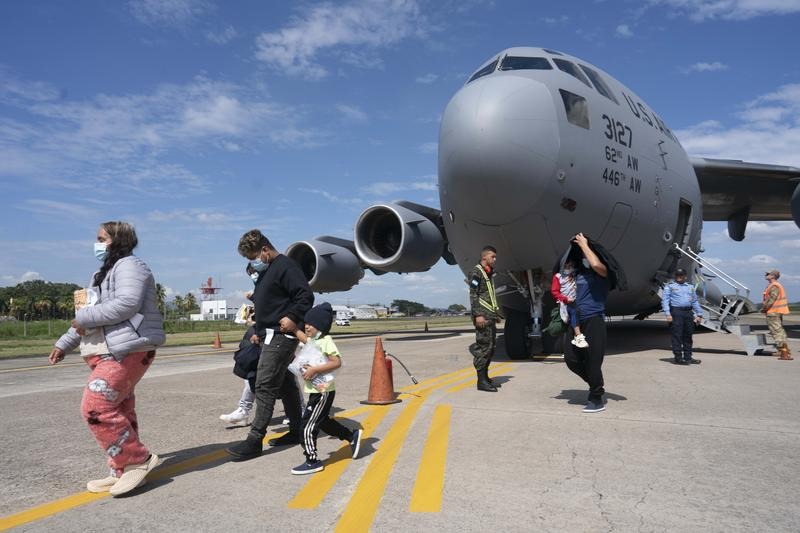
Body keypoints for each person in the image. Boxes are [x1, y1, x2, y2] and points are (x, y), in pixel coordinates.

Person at [48, 221, 165, 496]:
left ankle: (138, 460)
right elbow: (86, 318)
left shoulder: (130, 266)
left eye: (102, 238)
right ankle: (122, 469)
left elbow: (126, 304)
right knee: (121, 409)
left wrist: (82, 319)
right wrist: (65, 342)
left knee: (96, 406)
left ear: (118, 240)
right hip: (106, 349)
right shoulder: (101, 273)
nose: (97, 244)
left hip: (129, 348)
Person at [227, 229, 314, 460]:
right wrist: (257, 329)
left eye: (253, 257)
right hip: (267, 333)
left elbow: (305, 295)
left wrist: (293, 316)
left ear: (265, 249)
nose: (253, 263)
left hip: (282, 335)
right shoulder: (267, 272)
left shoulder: (286, 266)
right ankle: (297, 430)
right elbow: (268, 302)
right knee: (284, 383)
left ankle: (255, 440)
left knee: (264, 385)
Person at [290, 303, 363, 475]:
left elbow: (336, 362)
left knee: (307, 426)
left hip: (323, 391)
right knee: (322, 421)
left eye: (311, 324)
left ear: (321, 326)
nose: (307, 326)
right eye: (306, 323)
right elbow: (305, 339)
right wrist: (294, 329)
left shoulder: (326, 341)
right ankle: (351, 436)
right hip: (317, 390)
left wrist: (315, 369)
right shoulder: (315, 340)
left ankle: (312, 460)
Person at [563, 233, 610, 413]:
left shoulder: (602, 274)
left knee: (593, 360)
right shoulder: (576, 275)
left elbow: (597, 265)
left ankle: (596, 397)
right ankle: (596, 383)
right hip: (576, 322)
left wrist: (584, 244)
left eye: (586, 255)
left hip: (593, 320)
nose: (584, 259)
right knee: (571, 359)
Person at [468, 245, 502, 392]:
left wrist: (496, 313)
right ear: (484, 257)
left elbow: (489, 296)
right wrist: (478, 315)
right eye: (492, 257)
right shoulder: (477, 272)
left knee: (490, 348)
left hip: (489, 315)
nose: (495, 259)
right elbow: (473, 294)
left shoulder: (488, 273)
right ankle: (481, 381)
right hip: (482, 316)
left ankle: (485, 377)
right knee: (483, 348)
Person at [661, 268, 704, 365]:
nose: (678, 277)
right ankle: (678, 358)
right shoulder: (670, 287)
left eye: (681, 275)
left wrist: (699, 314)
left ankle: (688, 357)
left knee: (688, 335)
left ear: (685, 276)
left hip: (688, 313)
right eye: (677, 275)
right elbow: (665, 301)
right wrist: (668, 314)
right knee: (677, 335)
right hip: (676, 313)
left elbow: (694, 301)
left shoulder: (690, 287)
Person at [551, 259, 587, 348]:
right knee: (573, 312)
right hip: (565, 303)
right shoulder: (558, 276)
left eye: (571, 265)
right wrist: (565, 299)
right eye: (567, 265)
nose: (569, 267)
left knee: (577, 316)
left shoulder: (574, 274)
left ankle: (576, 339)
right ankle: (578, 336)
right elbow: (555, 292)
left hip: (576, 300)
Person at [762, 269, 793, 360]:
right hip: (776, 311)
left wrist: (764, 308)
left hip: (773, 311)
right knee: (779, 331)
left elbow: (772, 299)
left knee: (777, 331)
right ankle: (784, 350)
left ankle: (783, 351)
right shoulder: (773, 285)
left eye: (768, 274)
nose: (766, 275)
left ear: (773, 276)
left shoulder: (774, 286)